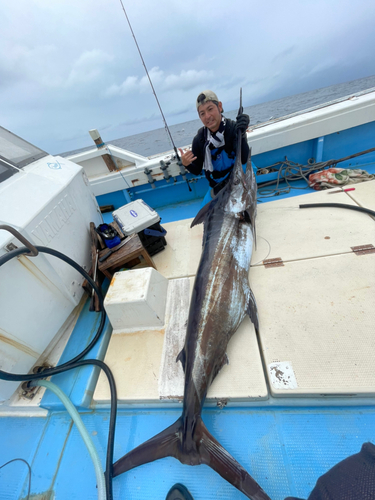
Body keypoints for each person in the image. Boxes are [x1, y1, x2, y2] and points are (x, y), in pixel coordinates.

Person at [179, 90, 250, 205]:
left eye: (210, 109)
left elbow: (244, 158)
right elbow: (197, 170)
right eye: (202, 113)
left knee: (239, 210)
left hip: (239, 178)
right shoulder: (199, 140)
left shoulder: (233, 129)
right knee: (206, 214)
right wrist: (186, 164)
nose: (207, 116)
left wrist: (241, 134)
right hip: (217, 184)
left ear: (220, 106)